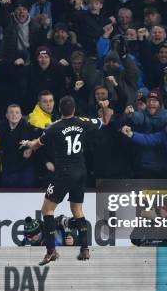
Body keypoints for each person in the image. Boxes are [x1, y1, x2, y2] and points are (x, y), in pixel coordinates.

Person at [20, 96, 112, 264]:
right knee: (77, 210)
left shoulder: (54, 128)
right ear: (74, 110)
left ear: (59, 111)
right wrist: (105, 107)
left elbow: (36, 145)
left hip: (64, 172)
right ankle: (84, 249)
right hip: (81, 171)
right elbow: (105, 121)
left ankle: (51, 251)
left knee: (47, 210)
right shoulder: (84, 121)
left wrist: (28, 143)